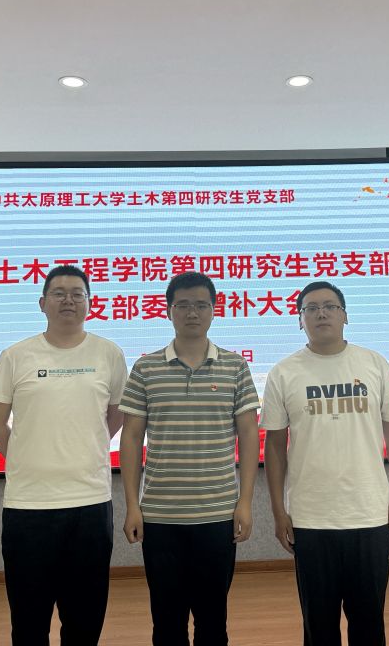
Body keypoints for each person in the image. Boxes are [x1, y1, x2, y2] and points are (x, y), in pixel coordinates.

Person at [0, 264, 127, 645]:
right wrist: (25, 456)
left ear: (90, 303)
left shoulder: (109, 354)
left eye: (78, 293)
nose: (69, 300)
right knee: (29, 621)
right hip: (29, 505)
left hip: (90, 502)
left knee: (85, 620)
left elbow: (116, 416)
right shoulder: (16, 355)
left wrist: (88, 444)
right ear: (42, 303)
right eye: (59, 293)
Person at [262, 281, 389, 646]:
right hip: (311, 518)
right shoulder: (284, 372)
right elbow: (275, 446)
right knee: (319, 625)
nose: (321, 313)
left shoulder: (373, 363)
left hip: (369, 513)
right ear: (300, 320)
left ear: (346, 315)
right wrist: (278, 510)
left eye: (330, 306)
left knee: (369, 622)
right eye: (311, 308)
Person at [119, 271, 260, 646]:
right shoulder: (146, 368)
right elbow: (131, 438)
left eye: (201, 305)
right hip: (160, 518)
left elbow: (249, 435)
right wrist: (132, 505)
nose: (192, 312)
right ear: (168, 311)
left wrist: (245, 502)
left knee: (213, 622)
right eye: (183, 305)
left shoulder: (235, 366)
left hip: (217, 515)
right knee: (167, 623)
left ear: (214, 310)